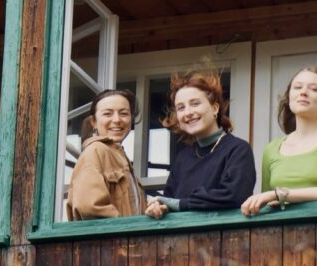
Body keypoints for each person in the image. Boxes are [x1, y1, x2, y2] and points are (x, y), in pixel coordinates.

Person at [241, 66, 317, 216]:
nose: (303, 92)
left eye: (314, 89)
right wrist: (271, 197)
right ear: (289, 99)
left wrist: (279, 194)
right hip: (279, 232)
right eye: (297, 87)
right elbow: (267, 203)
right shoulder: (272, 148)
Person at [145, 71, 255, 219]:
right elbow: (169, 200)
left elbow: (234, 195)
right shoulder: (182, 159)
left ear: (215, 108)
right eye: (181, 108)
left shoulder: (238, 149)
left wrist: (179, 204)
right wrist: (158, 207)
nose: (188, 112)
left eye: (195, 104)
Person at [66, 89, 144, 220]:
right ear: (94, 122)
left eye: (124, 113)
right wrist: (128, 231)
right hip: (111, 240)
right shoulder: (95, 151)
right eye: (107, 114)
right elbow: (90, 208)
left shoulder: (120, 158)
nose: (117, 120)